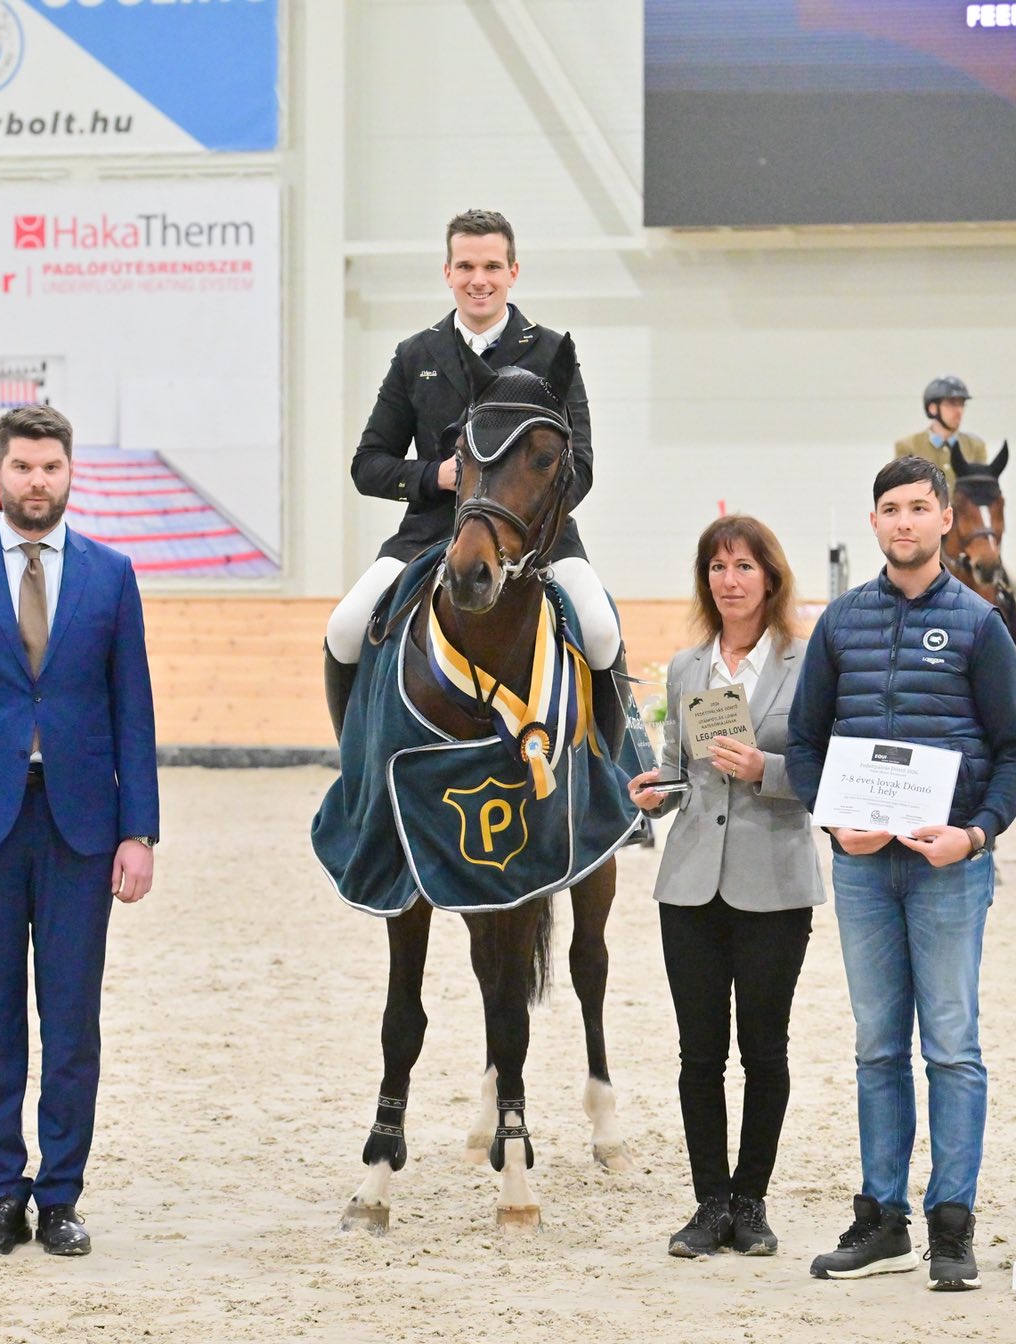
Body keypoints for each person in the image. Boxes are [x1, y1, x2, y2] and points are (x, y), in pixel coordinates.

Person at [0, 404, 159, 1259]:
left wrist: (139, 830)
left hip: (82, 824)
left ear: (70, 473)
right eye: (23, 466)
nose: (37, 481)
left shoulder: (112, 574)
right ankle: (4, 1194)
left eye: (51, 467)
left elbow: (133, 708)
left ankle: (60, 1198)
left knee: (72, 1020)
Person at [786, 456, 1016, 1292]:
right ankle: (882, 1221)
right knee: (878, 1047)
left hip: (947, 872)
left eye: (919, 508)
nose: (903, 522)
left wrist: (974, 835)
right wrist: (834, 820)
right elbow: (806, 744)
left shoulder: (979, 625)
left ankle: (952, 1228)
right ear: (875, 523)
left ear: (944, 520)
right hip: (862, 872)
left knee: (953, 1047)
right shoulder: (840, 624)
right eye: (890, 508)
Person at [324, 208, 622, 735]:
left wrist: (522, 529)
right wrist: (435, 477)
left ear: (513, 272)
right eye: (465, 266)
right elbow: (368, 464)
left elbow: (581, 465)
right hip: (431, 534)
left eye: (491, 266)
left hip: (537, 539)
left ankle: (612, 774)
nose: (478, 280)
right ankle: (357, 765)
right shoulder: (416, 354)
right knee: (345, 629)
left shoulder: (551, 353)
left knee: (600, 634)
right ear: (448, 273)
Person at [629, 516, 822, 1260]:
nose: (729, 580)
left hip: (774, 881)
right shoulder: (687, 667)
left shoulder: (807, 663)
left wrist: (765, 770)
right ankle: (710, 1203)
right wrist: (656, 791)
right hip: (689, 885)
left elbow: (826, 770)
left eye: (743, 566)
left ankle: (752, 1201)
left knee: (764, 1051)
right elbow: (679, 768)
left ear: (770, 577)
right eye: (717, 566)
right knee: (698, 1054)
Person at [892, 375, 989, 487]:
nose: (959, 410)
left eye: (961, 404)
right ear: (933, 408)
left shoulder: (976, 446)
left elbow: (982, 489)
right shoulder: (908, 446)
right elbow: (901, 489)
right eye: (952, 404)